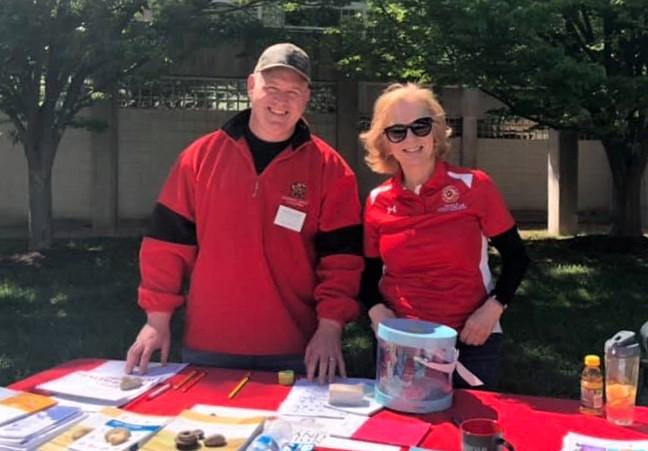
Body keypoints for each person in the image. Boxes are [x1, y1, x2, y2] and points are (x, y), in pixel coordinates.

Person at [125, 43, 363, 382]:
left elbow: (342, 260)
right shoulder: (199, 158)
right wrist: (156, 320)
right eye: (272, 88)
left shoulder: (330, 170)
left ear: (307, 97)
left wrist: (330, 326)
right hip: (210, 344)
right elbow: (166, 244)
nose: (281, 101)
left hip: (295, 348)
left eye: (293, 91)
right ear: (251, 86)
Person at [360, 83, 529, 389]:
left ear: (436, 132)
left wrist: (493, 309)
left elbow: (517, 257)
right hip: (400, 343)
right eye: (397, 132)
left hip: (469, 339)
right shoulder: (376, 201)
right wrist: (375, 311)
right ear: (385, 143)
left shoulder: (474, 186)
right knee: (401, 431)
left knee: (468, 432)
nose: (410, 139)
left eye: (420, 127)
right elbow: (368, 273)